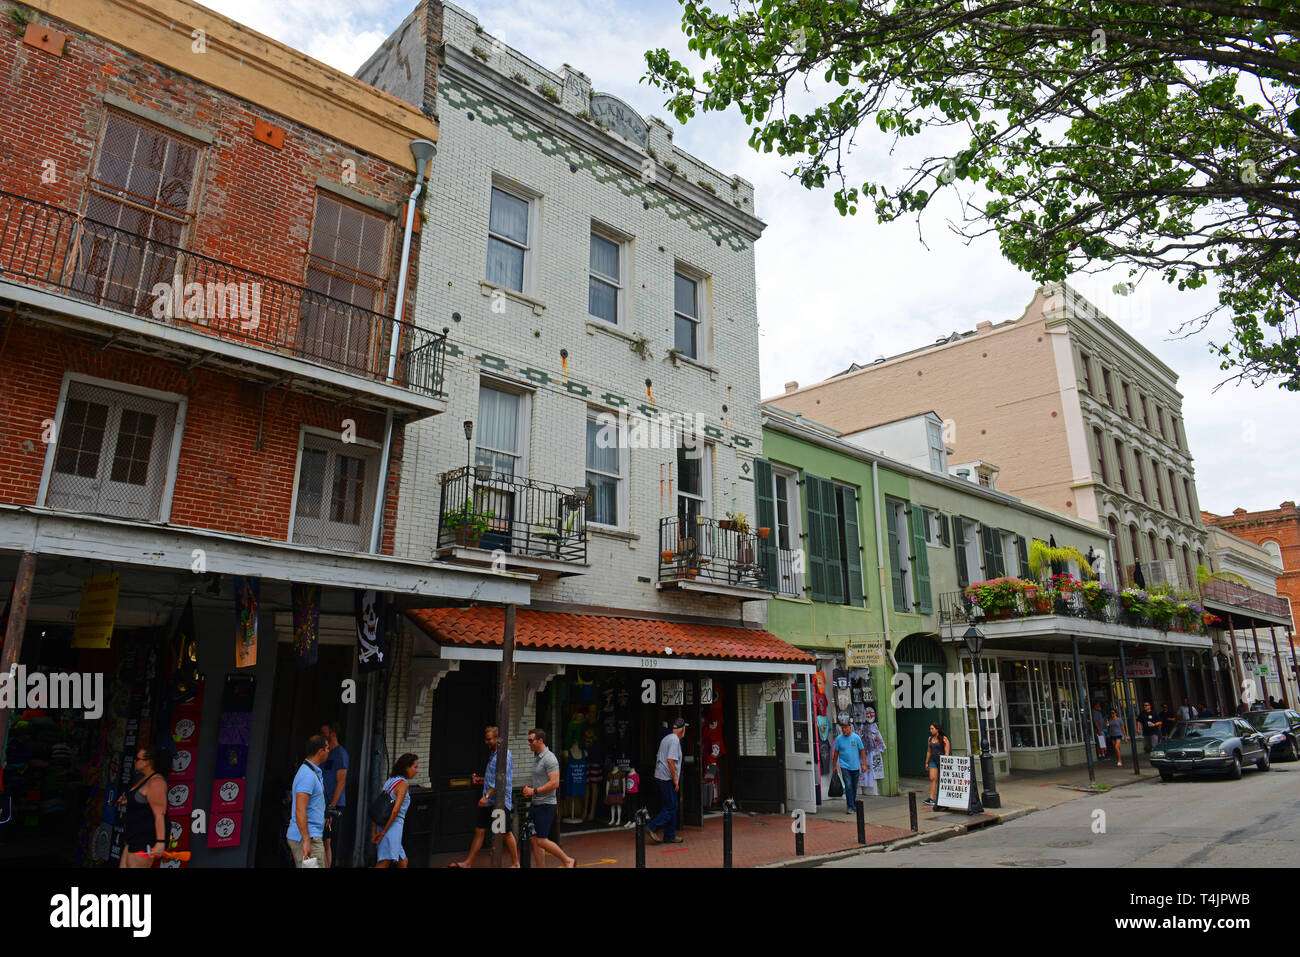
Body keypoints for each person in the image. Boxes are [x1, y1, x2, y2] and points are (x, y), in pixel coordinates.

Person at [451, 726, 519, 867]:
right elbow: (494, 778)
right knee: (480, 830)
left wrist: (486, 795)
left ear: (497, 739)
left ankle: (516, 863)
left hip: (498, 801)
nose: (486, 742)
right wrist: (482, 780)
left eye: (489, 739)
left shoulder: (504, 755)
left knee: (504, 832)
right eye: (486, 739)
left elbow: (501, 779)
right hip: (490, 801)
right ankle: (468, 863)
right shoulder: (494, 754)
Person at [521, 728, 575, 868]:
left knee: (541, 840)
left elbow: (555, 783)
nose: (528, 743)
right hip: (536, 803)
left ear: (540, 741)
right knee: (534, 840)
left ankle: (568, 860)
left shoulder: (549, 758)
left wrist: (534, 791)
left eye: (530, 740)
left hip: (546, 805)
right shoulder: (537, 757)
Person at [118, 747, 169, 868]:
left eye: (138, 759)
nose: (135, 761)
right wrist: (127, 801)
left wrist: (160, 842)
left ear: (147, 762)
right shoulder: (143, 779)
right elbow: (141, 801)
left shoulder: (156, 782)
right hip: (133, 836)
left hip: (145, 839)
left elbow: (159, 814)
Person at [287, 734, 329, 868]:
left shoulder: (313, 772)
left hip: (311, 834)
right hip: (306, 837)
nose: (329, 751)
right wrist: (306, 840)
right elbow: (300, 809)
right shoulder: (307, 775)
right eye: (327, 748)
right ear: (320, 751)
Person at [372, 753, 418, 868]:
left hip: (383, 825)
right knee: (384, 862)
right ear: (406, 767)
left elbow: (377, 807)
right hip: (393, 827)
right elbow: (395, 810)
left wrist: (375, 831)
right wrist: (383, 833)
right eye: (415, 767)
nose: (416, 771)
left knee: (403, 861)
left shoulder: (390, 781)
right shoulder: (403, 784)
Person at [646, 717, 686, 845]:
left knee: (672, 805)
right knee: (671, 805)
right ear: (683, 729)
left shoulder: (667, 738)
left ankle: (670, 835)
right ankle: (653, 827)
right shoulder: (674, 740)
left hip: (661, 776)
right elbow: (670, 760)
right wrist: (675, 780)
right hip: (666, 778)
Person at [320, 721, 349, 868]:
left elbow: (341, 782)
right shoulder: (325, 753)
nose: (322, 736)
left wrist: (331, 807)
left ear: (332, 734)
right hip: (321, 802)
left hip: (332, 804)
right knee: (320, 840)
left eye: (324, 733)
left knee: (327, 841)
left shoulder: (340, 754)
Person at [830, 719, 866, 814]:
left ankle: (853, 804)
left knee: (854, 786)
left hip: (855, 766)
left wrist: (864, 764)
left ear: (850, 728)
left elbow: (862, 751)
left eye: (846, 728)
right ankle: (850, 806)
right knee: (848, 786)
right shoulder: (839, 739)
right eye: (843, 728)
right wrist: (834, 766)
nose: (844, 730)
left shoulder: (856, 738)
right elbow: (836, 753)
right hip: (844, 766)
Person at [922, 723, 950, 807]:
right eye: (930, 729)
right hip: (933, 760)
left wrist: (945, 760)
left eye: (932, 728)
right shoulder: (930, 739)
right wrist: (926, 762)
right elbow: (929, 751)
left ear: (937, 729)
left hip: (941, 760)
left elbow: (947, 751)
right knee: (932, 778)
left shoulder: (944, 738)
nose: (930, 730)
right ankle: (931, 798)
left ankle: (944, 797)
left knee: (942, 779)